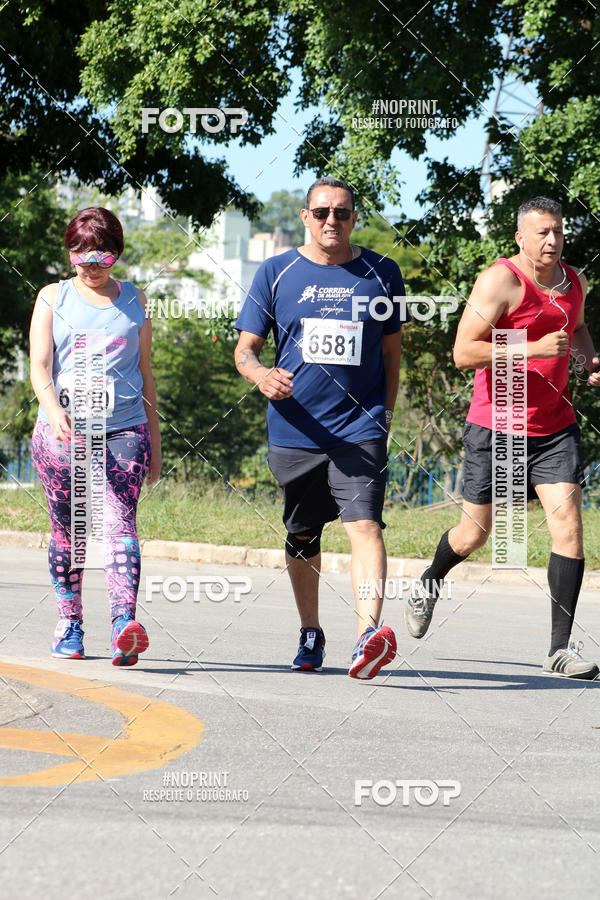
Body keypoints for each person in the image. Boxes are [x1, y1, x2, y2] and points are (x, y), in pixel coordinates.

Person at [404, 196, 599, 680]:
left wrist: (588, 360)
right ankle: (429, 581)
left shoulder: (575, 281)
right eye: (541, 233)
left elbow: (577, 330)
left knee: (569, 527)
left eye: (557, 231)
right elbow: (463, 352)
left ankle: (559, 649)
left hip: (555, 427)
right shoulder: (500, 280)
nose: (551, 240)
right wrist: (530, 346)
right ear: (520, 238)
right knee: (474, 534)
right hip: (496, 427)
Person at [234, 176, 408, 678]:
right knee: (302, 533)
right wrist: (261, 374)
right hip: (296, 429)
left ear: (356, 218)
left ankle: (367, 637)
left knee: (366, 525)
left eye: (343, 212)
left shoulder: (382, 272)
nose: (333, 220)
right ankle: (310, 630)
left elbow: (392, 353)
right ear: (306, 217)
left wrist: (386, 416)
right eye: (323, 212)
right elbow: (245, 350)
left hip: (361, 426)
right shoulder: (276, 271)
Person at [29, 206, 161, 665]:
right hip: (62, 432)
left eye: (102, 254)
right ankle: (70, 624)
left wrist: (156, 445)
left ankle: (125, 623)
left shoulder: (135, 300)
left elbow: (146, 375)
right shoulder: (52, 298)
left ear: (117, 254)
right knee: (69, 531)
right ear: (69, 255)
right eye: (80, 253)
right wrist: (53, 411)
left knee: (120, 522)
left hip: (124, 428)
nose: (91, 263)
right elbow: (39, 366)